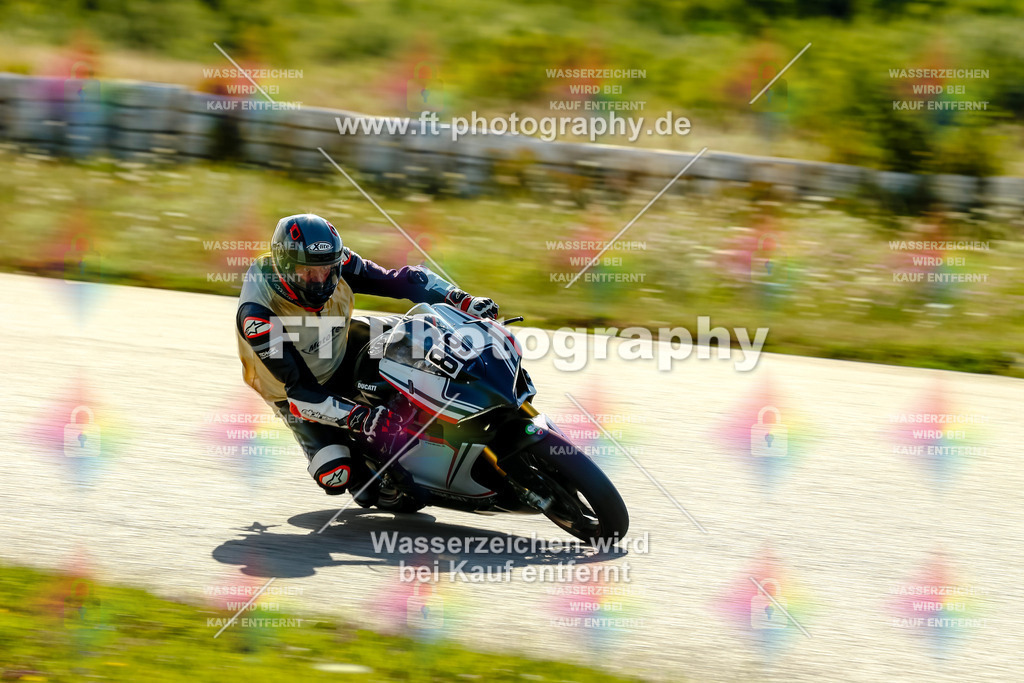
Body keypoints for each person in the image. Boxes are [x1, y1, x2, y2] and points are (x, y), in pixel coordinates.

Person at [235, 213, 498, 505]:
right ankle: (368, 461)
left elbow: (401, 281)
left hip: (344, 341)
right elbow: (301, 392)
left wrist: (459, 298)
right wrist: (360, 418)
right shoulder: (258, 317)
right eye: (308, 272)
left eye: (328, 270)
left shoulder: (340, 261)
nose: (321, 280)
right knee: (338, 475)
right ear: (283, 267)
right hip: (294, 389)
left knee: (424, 337)